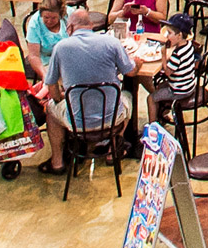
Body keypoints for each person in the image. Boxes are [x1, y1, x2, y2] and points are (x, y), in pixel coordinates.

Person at [39, 10, 137, 174]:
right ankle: (113, 148)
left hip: (77, 123)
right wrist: (138, 63)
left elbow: (51, 85)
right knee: (127, 96)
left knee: (50, 108)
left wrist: (59, 99)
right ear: (91, 25)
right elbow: (130, 72)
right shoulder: (111, 42)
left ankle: (57, 162)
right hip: (112, 120)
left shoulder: (60, 48)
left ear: (69, 28)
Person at [146, 13, 197, 125]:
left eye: (169, 33)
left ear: (179, 35)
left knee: (151, 98)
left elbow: (167, 72)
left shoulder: (177, 54)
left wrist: (164, 55)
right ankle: (161, 117)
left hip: (179, 90)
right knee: (159, 87)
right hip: (189, 85)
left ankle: (152, 129)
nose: (167, 36)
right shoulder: (188, 45)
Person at [24, 0, 67, 80]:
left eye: (54, 18)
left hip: (69, 56)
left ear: (61, 15)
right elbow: (33, 56)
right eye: (46, 17)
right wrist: (45, 75)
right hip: (48, 60)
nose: (49, 21)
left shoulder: (70, 15)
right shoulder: (35, 24)